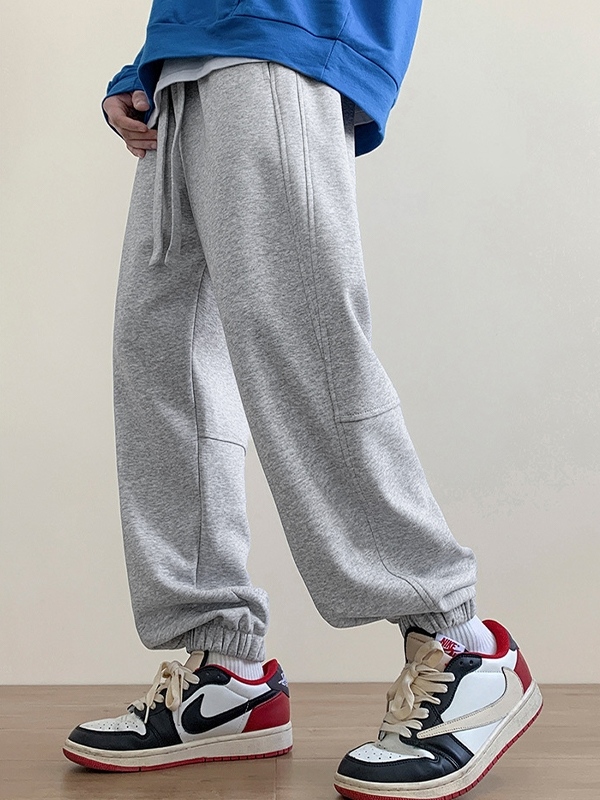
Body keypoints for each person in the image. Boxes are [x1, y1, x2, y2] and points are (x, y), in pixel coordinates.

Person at [62, 2, 543, 798]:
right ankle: (226, 673)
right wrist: (147, 61)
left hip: (282, 37)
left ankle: (462, 644)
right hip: (186, 56)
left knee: (302, 347)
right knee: (162, 366)